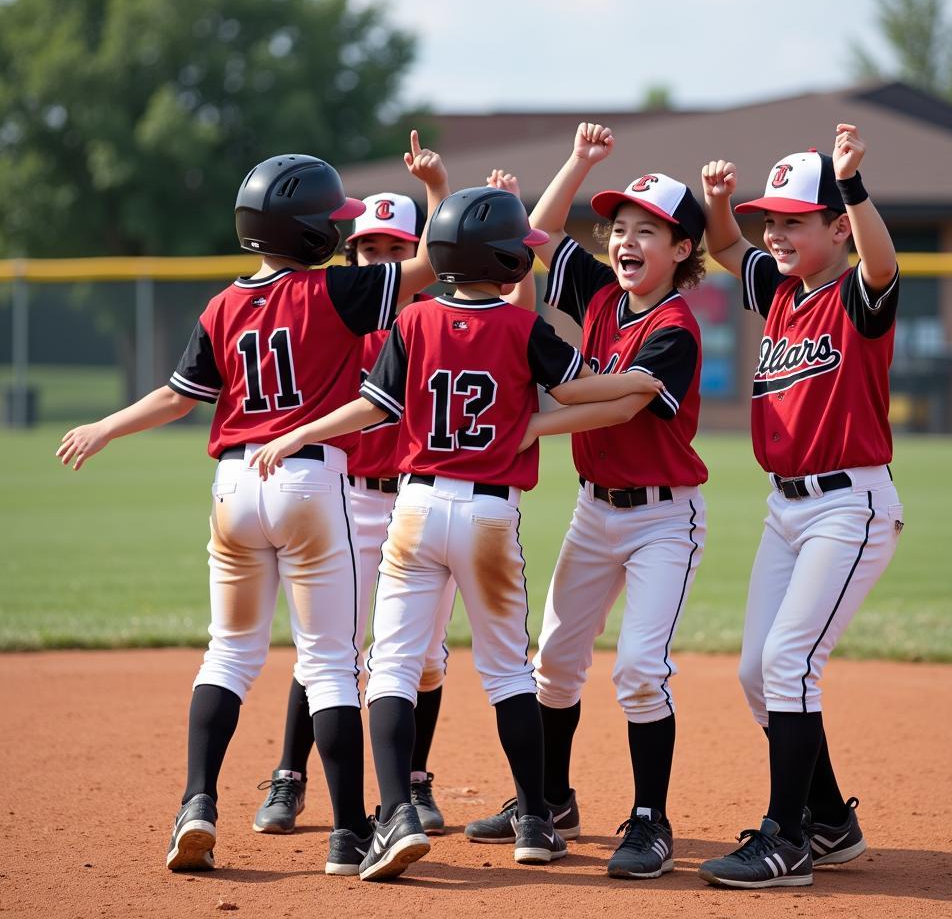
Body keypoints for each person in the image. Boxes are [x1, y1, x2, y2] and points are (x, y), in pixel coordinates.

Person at [57, 136, 445, 878]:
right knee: (330, 662)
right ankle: (348, 837)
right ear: (310, 231)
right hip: (308, 480)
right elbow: (427, 268)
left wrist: (106, 425)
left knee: (229, 653)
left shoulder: (224, 303)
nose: (339, 228)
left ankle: (196, 805)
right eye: (331, 219)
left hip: (233, 487)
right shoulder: (334, 290)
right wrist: (432, 193)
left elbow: (177, 398)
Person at [249, 185, 663, 881]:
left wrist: (300, 433)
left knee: (391, 668)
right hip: (489, 518)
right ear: (501, 258)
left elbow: (370, 410)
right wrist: (638, 384)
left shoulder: (412, 324)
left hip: (414, 511)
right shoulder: (522, 329)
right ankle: (535, 820)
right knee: (506, 671)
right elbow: (577, 389)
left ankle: (396, 814)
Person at [254, 171, 534, 839]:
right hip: (349, 498)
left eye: (394, 250)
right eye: (368, 250)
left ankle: (411, 780)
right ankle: (290, 776)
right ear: (350, 255)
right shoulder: (344, 313)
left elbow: (500, 300)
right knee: (333, 648)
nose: (379, 261)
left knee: (423, 654)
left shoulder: (429, 319)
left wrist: (440, 191)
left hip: (411, 501)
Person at [465, 122, 710, 880]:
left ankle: (650, 820)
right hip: (595, 510)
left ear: (682, 254)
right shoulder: (603, 297)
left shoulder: (676, 330)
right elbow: (535, 232)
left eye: (648, 232)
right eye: (619, 230)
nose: (626, 241)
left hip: (665, 519)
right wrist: (576, 162)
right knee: (555, 664)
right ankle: (551, 798)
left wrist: (531, 422)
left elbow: (620, 407)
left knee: (638, 670)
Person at [696, 124, 904, 889]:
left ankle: (786, 840)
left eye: (793, 220)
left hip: (848, 507)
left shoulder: (856, 293)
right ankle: (829, 821)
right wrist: (720, 204)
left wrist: (853, 183)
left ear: (836, 227)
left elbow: (882, 263)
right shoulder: (780, 292)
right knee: (758, 672)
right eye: (770, 219)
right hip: (784, 510)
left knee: (790, 661)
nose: (774, 232)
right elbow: (723, 249)